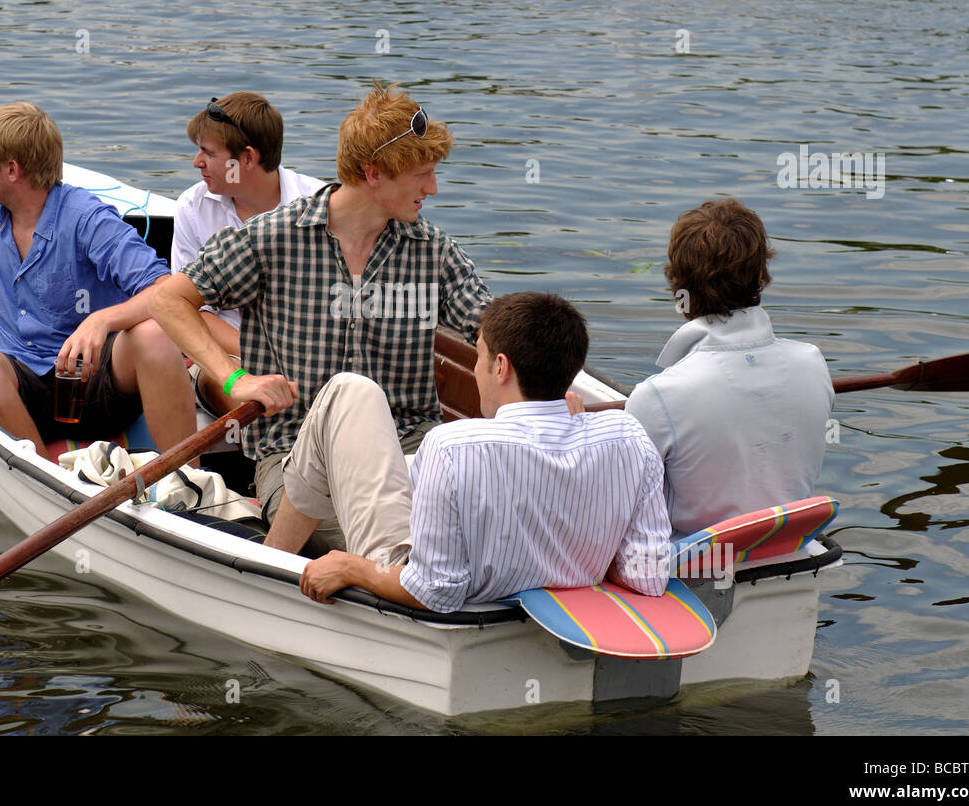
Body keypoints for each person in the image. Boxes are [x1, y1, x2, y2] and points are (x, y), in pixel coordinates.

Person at [151, 82, 492, 550]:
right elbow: (169, 301)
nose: (432, 189)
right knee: (407, 542)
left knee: (467, 527)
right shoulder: (272, 238)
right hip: (296, 455)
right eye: (422, 175)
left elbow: (492, 327)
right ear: (375, 173)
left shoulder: (431, 250)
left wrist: (550, 391)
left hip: (410, 449)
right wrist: (234, 380)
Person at [264, 292, 671, 611]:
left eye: (477, 355)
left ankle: (266, 567)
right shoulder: (628, 435)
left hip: (415, 587)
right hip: (557, 605)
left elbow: (434, 591)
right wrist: (573, 556)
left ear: (500, 367)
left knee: (348, 392)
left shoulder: (451, 446)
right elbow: (647, 577)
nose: (475, 369)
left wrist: (350, 566)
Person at [0, 102, 195, 460]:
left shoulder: (87, 218)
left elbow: (164, 291)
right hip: (19, 395)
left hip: (97, 383)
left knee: (153, 334)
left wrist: (102, 320)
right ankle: (50, 476)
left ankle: (186, 477)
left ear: (12, 170)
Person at [624, 198, 833, 537]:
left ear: (677, 285)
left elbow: (625, 509)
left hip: (692, 569)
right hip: (789, 550)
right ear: (761, 275)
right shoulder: (812, 362)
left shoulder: (655, 397)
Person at [171, 93, 327, 359]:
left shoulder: (321, 206)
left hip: (309, 356)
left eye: (208, 153)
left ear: (247, 158)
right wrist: (266, 357)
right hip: (223, 357)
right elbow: (188, 310)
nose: (197, 162)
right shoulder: (191, 207)